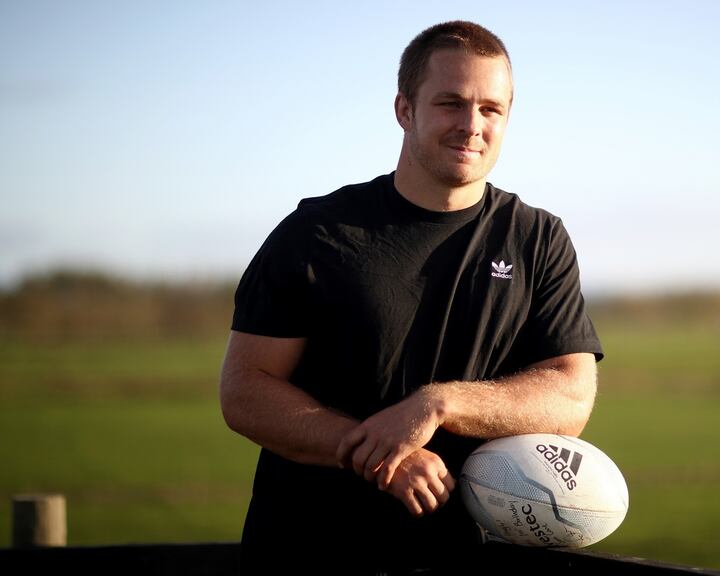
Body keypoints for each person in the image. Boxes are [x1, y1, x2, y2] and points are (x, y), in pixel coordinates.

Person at [219, 20, 603, 573]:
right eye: (450, 103)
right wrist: (378, 455)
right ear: (404, 110)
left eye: (491, 109)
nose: (472, 125)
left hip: (466, 560)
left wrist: (439, 403)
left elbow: (569, 397)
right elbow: (245, 391)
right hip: (308, 556)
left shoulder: (537, 238)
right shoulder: (318, 232)